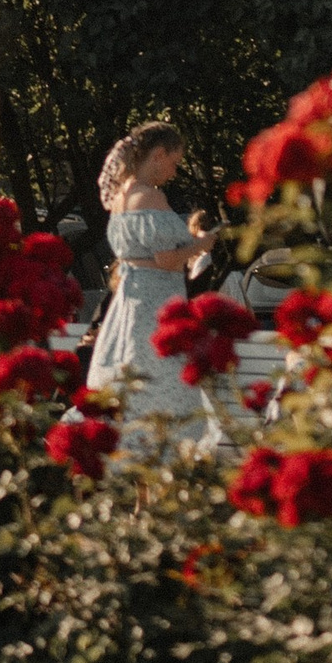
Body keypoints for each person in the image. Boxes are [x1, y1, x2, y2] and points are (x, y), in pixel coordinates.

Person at [84, 125, 212, 444]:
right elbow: (166, 259)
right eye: (173, 162)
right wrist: (202, 244)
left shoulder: (121, 197)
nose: (174, 172)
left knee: (136, 387)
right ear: (158, 155)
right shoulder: (151, 196)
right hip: (157, 304)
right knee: (165, 389)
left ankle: (135, 463)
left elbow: (146, 252)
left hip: (130, 303)